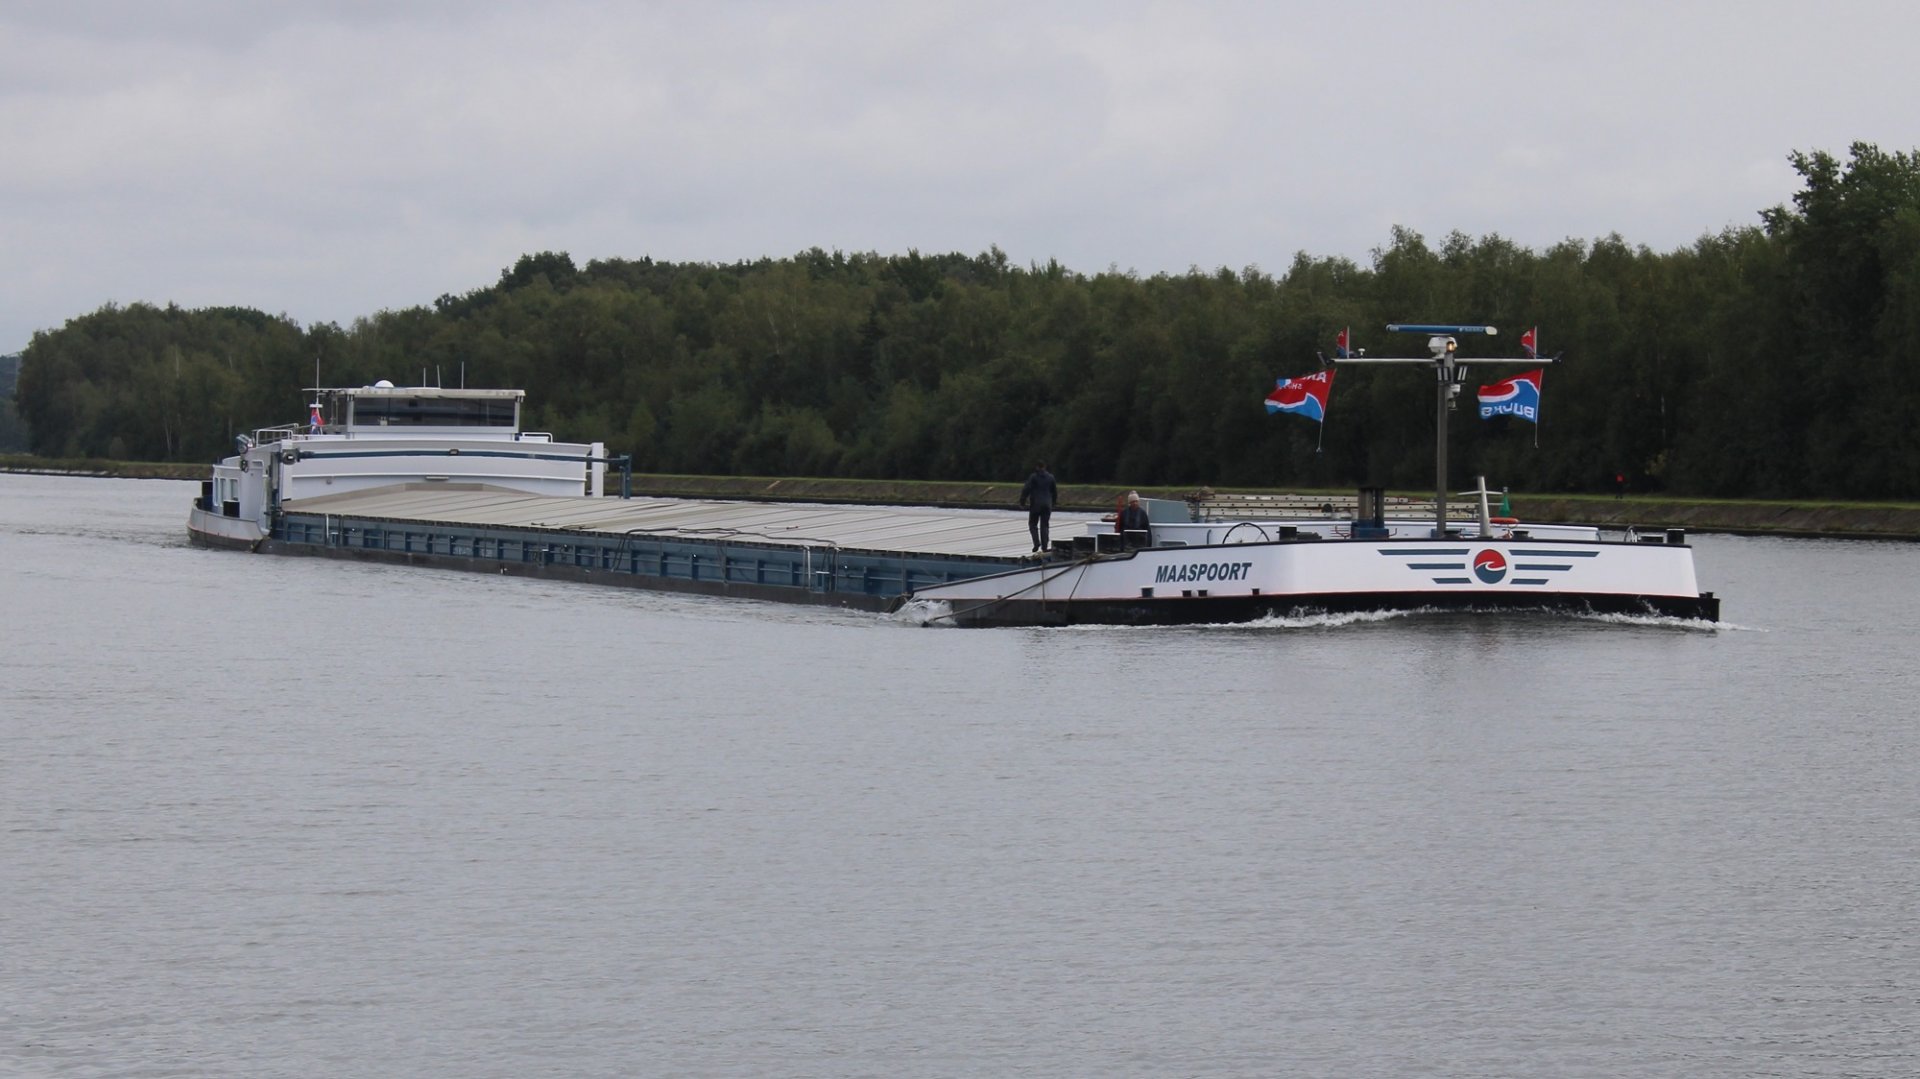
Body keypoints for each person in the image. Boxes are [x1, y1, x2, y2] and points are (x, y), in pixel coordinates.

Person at [1018, 461, 1058, 552]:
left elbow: (1026, 489)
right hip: (1047, 504)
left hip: (1035, 504)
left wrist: (1022, 502)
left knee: (1032, 524)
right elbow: (1054, 492)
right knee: (1045, 525)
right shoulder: (1051, 477)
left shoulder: (1033, 477)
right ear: (1045, 467)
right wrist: (1053, 503)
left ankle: (1036, 543)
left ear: (1037, 467)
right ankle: (1045, 546)